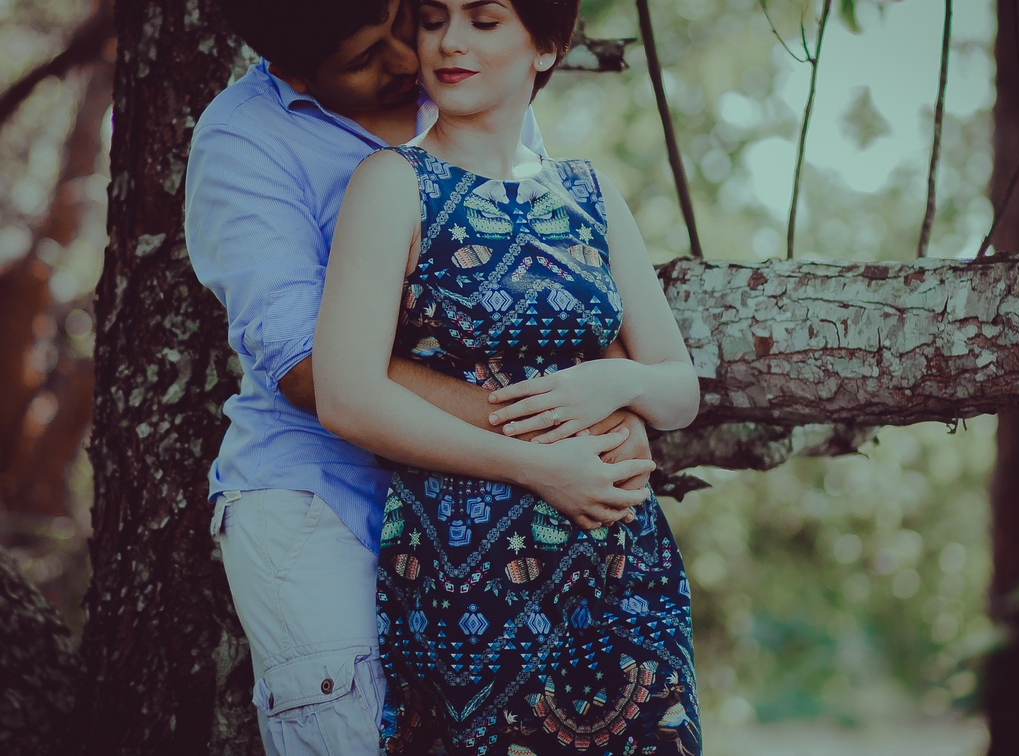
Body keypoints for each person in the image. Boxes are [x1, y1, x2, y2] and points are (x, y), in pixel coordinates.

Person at [184, 0, 653, 752]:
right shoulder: (245, 139)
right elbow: (308, 369)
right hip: (324, 500)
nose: (408, 60)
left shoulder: (463, 83)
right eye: (365, 58)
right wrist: (554, 431)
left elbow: (548, 297)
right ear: (295, 72)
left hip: (478, 509)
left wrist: (616, 405)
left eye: (404, 25)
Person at [312, 0, 703, 752]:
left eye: (483, 21)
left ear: (547, 46)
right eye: (433, 20)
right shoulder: (392, 183)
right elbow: (347, 397)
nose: (448, 42)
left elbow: (680, 389)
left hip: (622, 567)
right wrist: (539, 467)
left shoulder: (589, 192)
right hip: (470, 570)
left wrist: (614, 386)